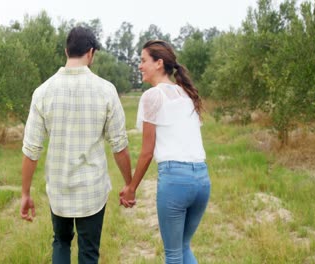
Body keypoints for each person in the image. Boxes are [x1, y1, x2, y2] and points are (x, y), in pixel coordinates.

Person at [20, 26, 135, 264]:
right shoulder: (106, 91)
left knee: (61, 242)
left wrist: (25, 193)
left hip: (59, 189)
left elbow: (31, 150)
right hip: (92, 190)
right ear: (91, 53)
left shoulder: (42, 92)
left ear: (66, 51)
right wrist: (128, 183)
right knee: (89, 251)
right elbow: (119, 146)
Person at [120, 40, 210, 264]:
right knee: (183, 247)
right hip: (202, 179)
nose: (139, 66)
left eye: (143, 61)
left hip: (176, 181)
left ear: (159, 63)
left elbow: (147, 153)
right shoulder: (187, 94)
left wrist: (131, 188)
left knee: (173, 254)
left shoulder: (153, 96)